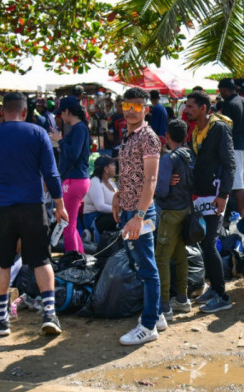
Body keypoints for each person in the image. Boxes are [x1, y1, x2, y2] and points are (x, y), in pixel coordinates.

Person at [0, 92, 68, 336]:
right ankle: (50, 314)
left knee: (1, 262)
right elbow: (51, 172)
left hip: (0, 207)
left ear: (2, 112)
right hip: (32, 206)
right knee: (41, 259)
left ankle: (2, 320)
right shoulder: (37, 133)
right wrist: (59, 204)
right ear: (25, 112)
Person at [110, 87, 162, 345]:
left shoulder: (148, 138)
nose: (131, 111)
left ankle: (149, 325)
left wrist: (139, 215)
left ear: (146, 109)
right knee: (139, 263)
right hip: (129, 208)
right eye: (126, 106)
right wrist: (119, 194)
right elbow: (132, 172)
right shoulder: (128, 135)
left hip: (141, 212)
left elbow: (151, 179)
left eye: (136, 107)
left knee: (146, 267)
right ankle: (157, 313)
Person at [182, 90, 235, 314]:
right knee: (204, 243)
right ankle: (214, 288)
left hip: (215, 196)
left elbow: (230, 164)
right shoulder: (196, 131)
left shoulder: (219, 129)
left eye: (191, 107)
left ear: (204, 108)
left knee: (210, 244)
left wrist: (223, 195)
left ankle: (222, 295)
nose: (187, 110)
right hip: (201, 195)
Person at [154, 119, 194, 320]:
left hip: (170, 213)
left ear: (167, 137)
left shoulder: (169, 159)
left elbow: (161, 190)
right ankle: (182, 298)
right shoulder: (189, 155)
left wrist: (155, 185)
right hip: (185, 210)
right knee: (180, 257)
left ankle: (164, 306)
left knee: (161, 258)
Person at [50, 96, 90, 255]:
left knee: (67, 225)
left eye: (61, 113)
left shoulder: (79, 128)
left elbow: (73, 154)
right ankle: (78, 258)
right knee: (70, 225)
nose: (61, 117)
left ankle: (72, 263)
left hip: (75, 180)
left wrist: (60, 141)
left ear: (67, 111)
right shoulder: (79, 128)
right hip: (76, 179)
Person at [219, 78, 244, 214]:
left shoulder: (228, 104)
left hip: (234, 146)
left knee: (238, 186)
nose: (220, 94)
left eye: (220, 91)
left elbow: (225, 128)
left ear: (225, 90)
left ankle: (242, 217)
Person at [83, 155, 119, 242]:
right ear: (106, 169)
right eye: (113, 165)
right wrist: (118, 210)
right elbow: (100, 206)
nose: (115, 167)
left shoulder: (110, 181)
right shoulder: (95, 182)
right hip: (95, 218)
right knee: (122, 217)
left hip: (109, 215)